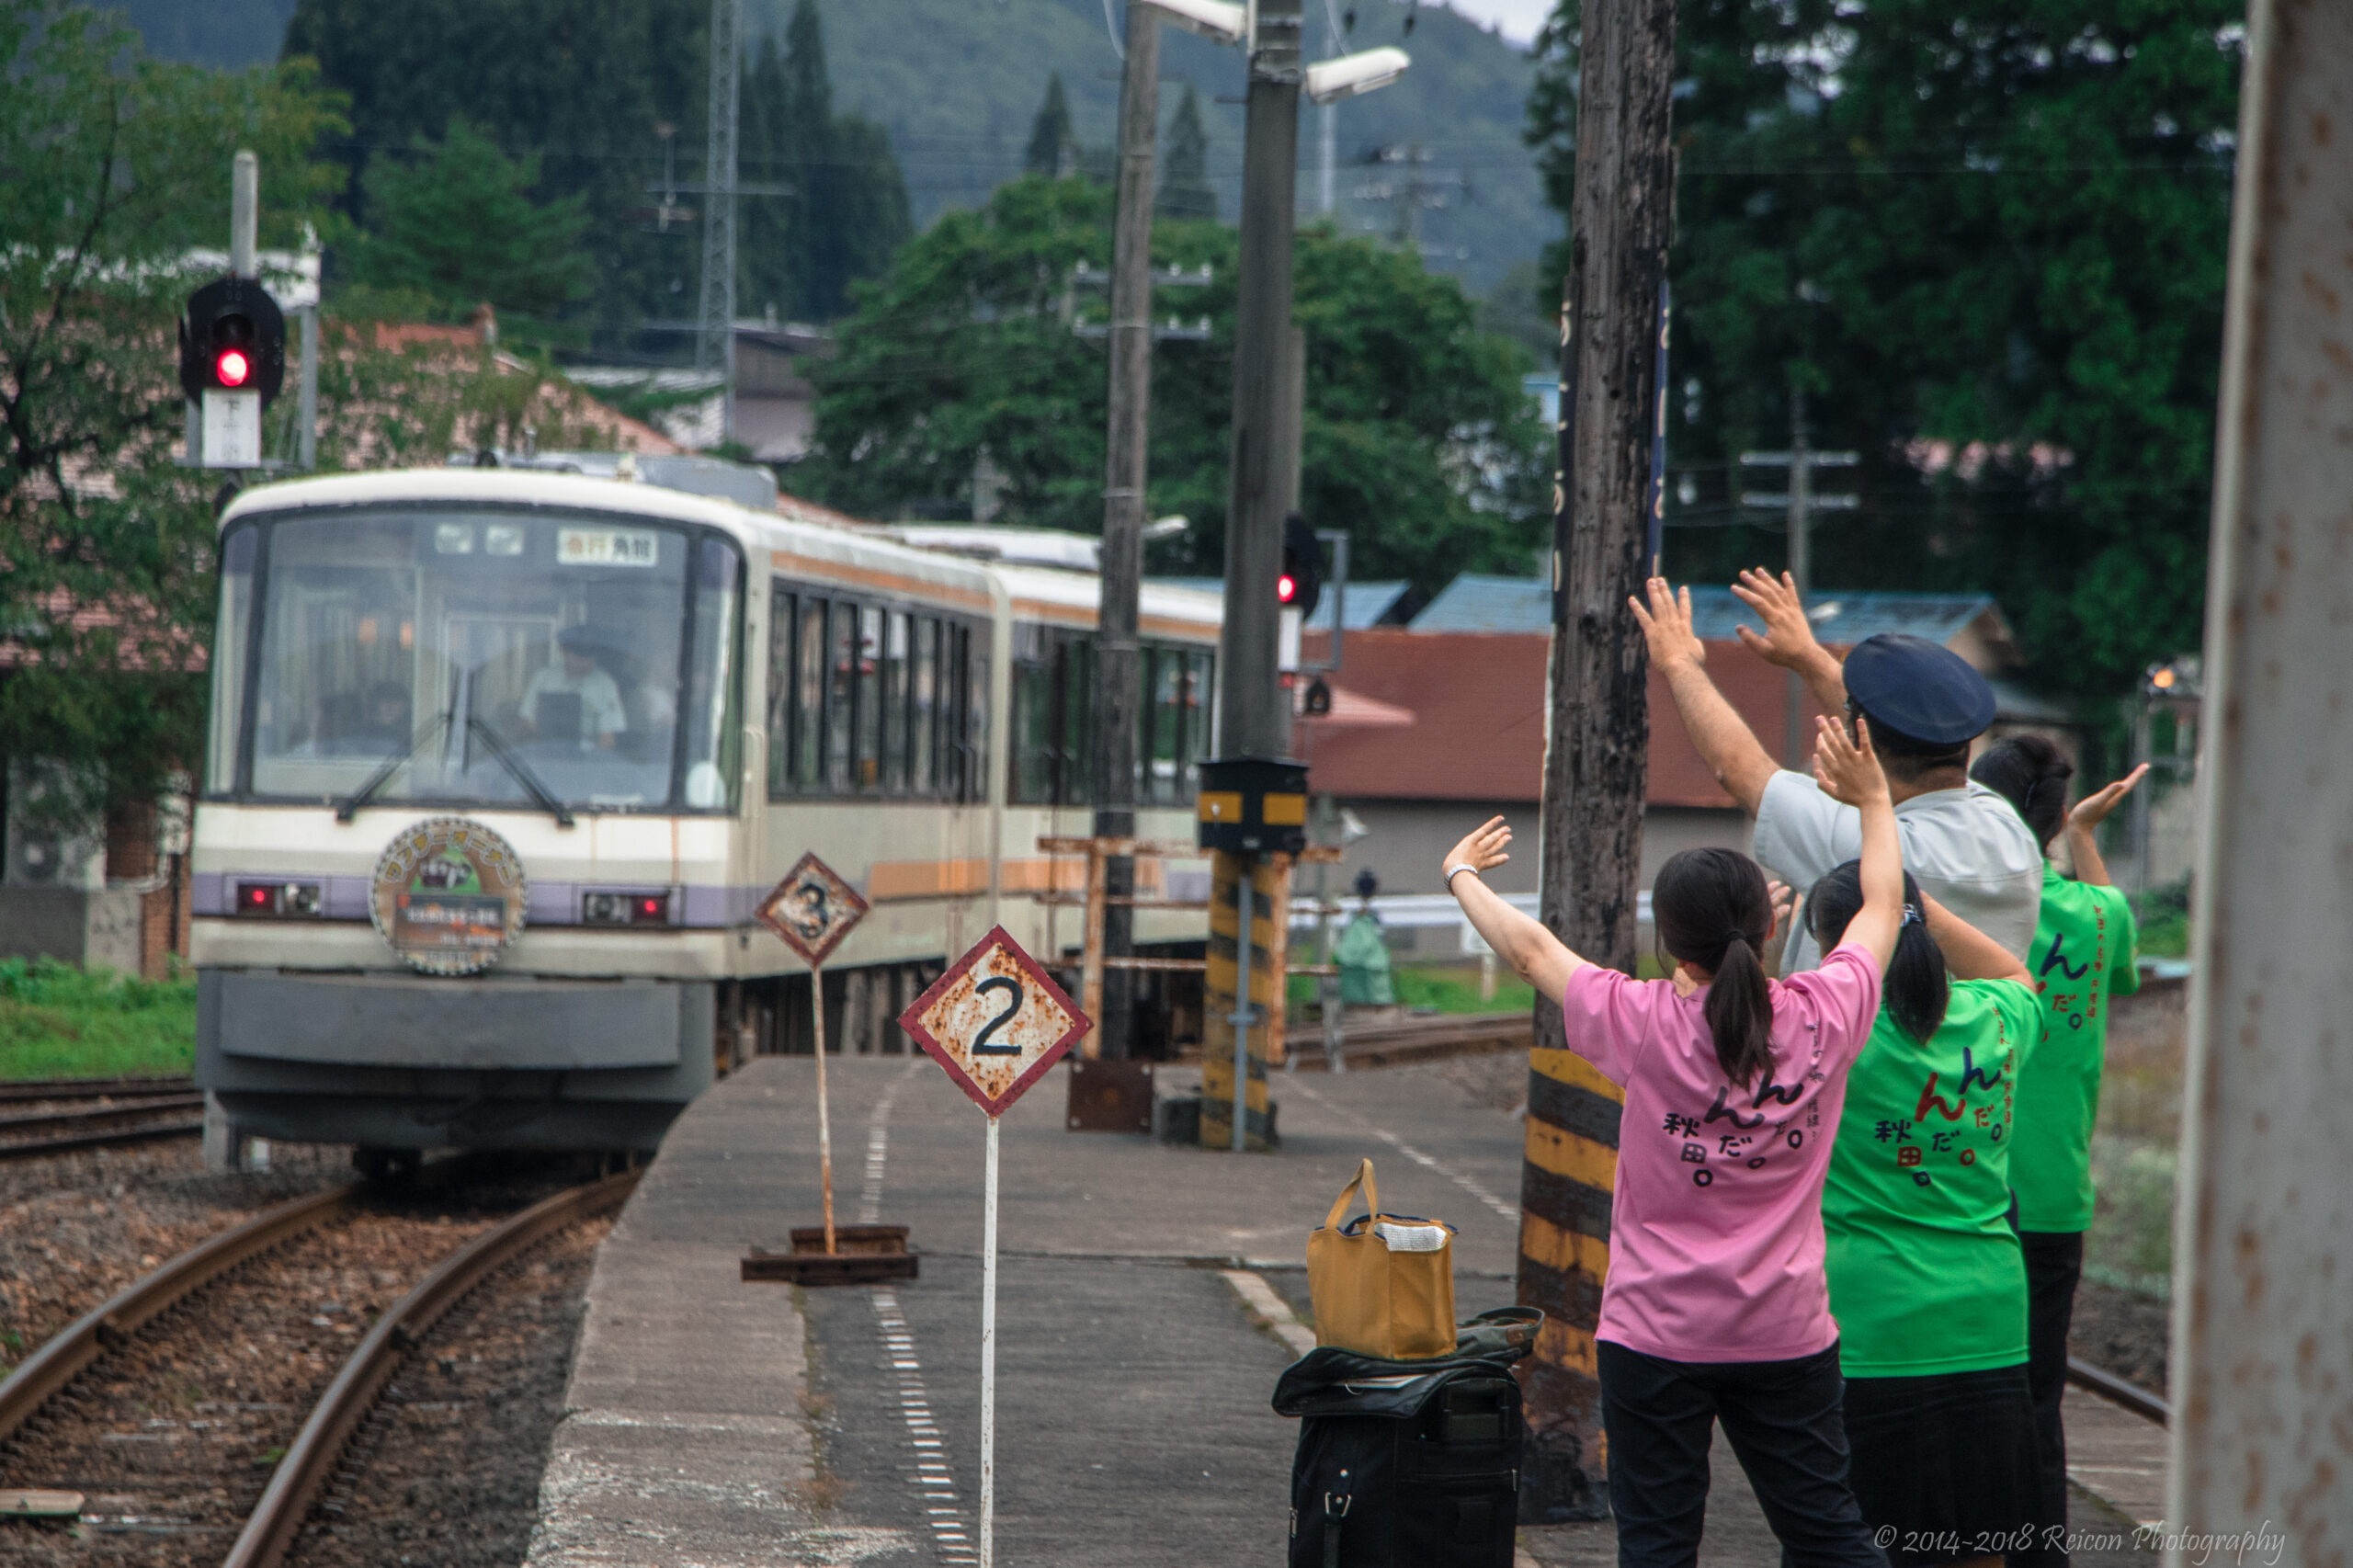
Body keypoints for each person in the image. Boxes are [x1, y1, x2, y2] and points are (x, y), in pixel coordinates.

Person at [1443, 712, 1903, 1568]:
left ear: (1671, 946)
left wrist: (1460, 874)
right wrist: (1874, 799)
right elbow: (1881, 906)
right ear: (1768, 932)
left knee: (1657, 1546)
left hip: (1653, 1336)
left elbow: (1532, 952)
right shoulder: (1826, 1016)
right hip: (1786, 1331)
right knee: (1828, 1535)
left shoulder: (1643, 1022)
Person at [1803, 858, 2044, 1568]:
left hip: (1872, 1326)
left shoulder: (1832, 1035)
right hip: (1991, 1316)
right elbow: (2018, 974)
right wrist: (1911, 903)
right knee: (1983, 1544)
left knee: (1859, 1548)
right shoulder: (1992, 1017)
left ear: (1839, 945)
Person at [1632, 571, 2043, 973]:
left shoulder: (1866, 848)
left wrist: (1679, 662)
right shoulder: (2008, 829)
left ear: (1865, 745)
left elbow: (1740, 770)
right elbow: (1900, 734)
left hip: (1865, 1025)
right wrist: (1808, 656)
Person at [1969, 737, 2147, 1568]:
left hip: (1966, 1192)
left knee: (1955, 1393)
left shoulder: (1964, 907)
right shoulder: (2099, 916)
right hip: (2055, 1197)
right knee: (2039, 1396)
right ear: (2051, 818)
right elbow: (2118, 947)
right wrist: (2082, 835)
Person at [519, 625, 627, 750]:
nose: (585, 663)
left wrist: (591, 759)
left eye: (590, 657)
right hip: (545, 752)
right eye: (579, 657)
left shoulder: (605, 684)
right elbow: (528, 722)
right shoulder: (543, 678)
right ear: (564, 652)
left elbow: (608, 738)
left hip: (588, 756)